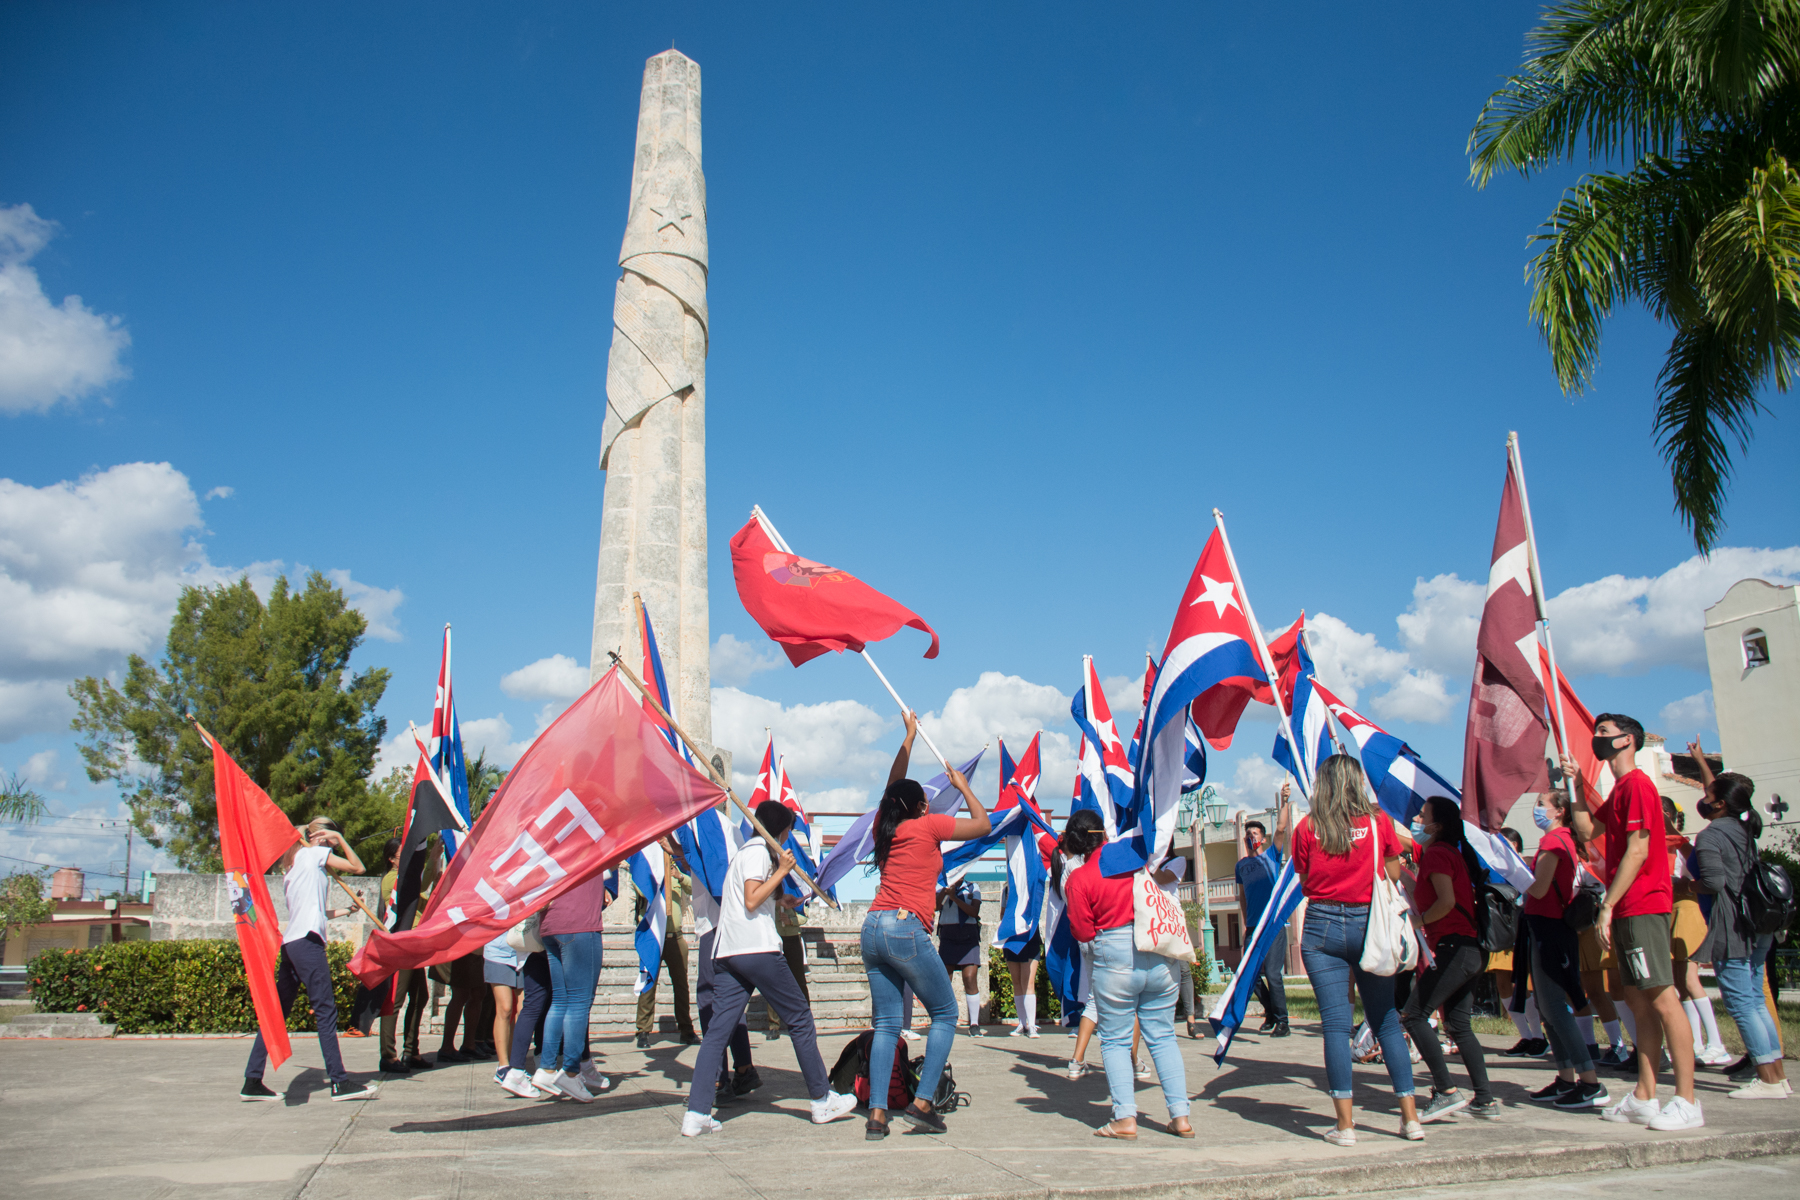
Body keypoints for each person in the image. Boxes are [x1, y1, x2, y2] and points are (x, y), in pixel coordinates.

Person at [682, 800, 858, 1136]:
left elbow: (750, 897)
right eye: (789, 830)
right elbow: (750, 899)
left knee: (718, 1031)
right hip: (756, 948)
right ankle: (822, 1099)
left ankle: (697, 1112)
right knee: (800, 1017)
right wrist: (781, 870)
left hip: (728, 952)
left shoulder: (744, 854)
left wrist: (782, 898)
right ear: (782, 829)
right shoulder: (759, 851)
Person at [1563, 712, 1702, 1131]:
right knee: (1638, 999)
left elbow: (1638, 852)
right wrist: (1574, 787)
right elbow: (1587, 831)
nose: (1597, 739)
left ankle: (1687, 1100)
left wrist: (1607, 904)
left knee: (1662, 997)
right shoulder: (1621, 789)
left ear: (1627, 741)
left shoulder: (1639, 785)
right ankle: (1645, 1093)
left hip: (1642, 904)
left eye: (1603, 733)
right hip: (1626, 907)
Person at [862, 710, 991, 1140]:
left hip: (873, 926)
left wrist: (910, 737)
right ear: (920, 805)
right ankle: (922, 1101)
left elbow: (889, 788)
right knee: (946, 1012)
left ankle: (877, 1116)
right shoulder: (927, 825)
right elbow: (983, 824)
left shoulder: (887, 827)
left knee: (884, 1023)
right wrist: (964, 787)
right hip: (905, 928)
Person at [1289, 754, 1419, 1145]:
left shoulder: (1309, 826)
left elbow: (1305, 878)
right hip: (1371, 923)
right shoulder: (1379, 823)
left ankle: (1344, 1126)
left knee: (1335, 1024)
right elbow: (1394, 872)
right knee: (1385, 1020)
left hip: (1322, 925)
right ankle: (1410, 1118)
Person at [1063, 819, 1192, 1140]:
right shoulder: (1134, 859)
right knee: (1163, 1036)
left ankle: (1124, 1118)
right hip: (1158, 948)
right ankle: (1181, 1116)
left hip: (1114, 952)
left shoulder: (1079, 878)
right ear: (1104, 832)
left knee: (1116, 1040)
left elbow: (1081, 931)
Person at [240, 819, 378, 1102]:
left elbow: (315, 911)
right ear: (321, 836)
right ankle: (339, 1082)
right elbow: (358, 867)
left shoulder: (292, 868)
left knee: (277, 1014)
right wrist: (340, 838)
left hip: (292, 944)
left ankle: (252, 1081)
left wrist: (347, 910)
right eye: (329, 836)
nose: (332, 842)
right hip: (308, 943)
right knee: (326, 1011)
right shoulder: (315, 854)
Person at [1690, 768, 1791, 1100]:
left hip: (1733, 926)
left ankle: (1767, 1079)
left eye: (1708, 795)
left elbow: (1714, 883)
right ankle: (1776, 1075)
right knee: (1757, 1000)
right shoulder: (1746, 828)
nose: (1703, 799)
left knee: (1742, 1004)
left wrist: (1685, 885)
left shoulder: (1710, 835)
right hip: (1759, 924)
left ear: (1720, 804)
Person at [1401, 798, 1497, 1121]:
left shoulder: (1438, 854)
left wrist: (1419, 922)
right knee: (1458, 1025)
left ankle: (1445, 1091)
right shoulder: (1446, 853)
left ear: (1437, 825)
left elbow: (1446, 901)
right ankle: (1485, 1099)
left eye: (1422, 815)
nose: (1417, 818)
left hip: (1454, 948)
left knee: (1413, 1015)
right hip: (1468, 949)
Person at [1522, 790, 1609, 1110]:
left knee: (1555, 1008)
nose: (1537, 809)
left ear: (1559, 811)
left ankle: (1590, 1081)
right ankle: (1566, 1077)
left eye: (1542, 804)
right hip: (1551, 928)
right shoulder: (1562, 840)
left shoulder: (1553, 842)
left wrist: (1513, 870)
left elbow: (1538, 887)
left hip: (1550, 929)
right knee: (1548, 1008)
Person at [530, 864, 612, 1102]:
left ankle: (546, 1068)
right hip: (579, 921)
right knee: (579, 1002)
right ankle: (571, 1071)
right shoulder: (588, 832)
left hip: (552, 923)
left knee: (561, 1000)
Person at [1665, 797, 1730, 1066]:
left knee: (1691, 979)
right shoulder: (1658, 844)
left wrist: (1683, 882)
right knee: (1680, 983)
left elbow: (1698, 871)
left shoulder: (1681, 844)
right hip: (1670, 913)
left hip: (1688, 911)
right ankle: (1695, 1042)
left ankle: (1717, 1043)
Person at [1235, 786, 1294, 1037]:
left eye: (1255, 832)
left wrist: (1284, 800)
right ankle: (1270, 1012)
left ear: (1263, 837)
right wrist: (1246, 923)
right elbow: (1242, 898)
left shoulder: (1272, 856)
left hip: (1273, 925)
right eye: (1247, 833)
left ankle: (1282, 1021)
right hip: (1253, 927)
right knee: (1250, 975)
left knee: (1272, 974)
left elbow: (1281, 827)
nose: (1251, 836)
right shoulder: (1241, 865)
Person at [636, 837, 697, 1048]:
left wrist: (678, 876)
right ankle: (643, 1030)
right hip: (654, 936)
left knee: (681, 985)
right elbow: (639, 889)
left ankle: (686, 1029)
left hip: (675, 936)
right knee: (648, 982)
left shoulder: (678, 865)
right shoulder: (651, 865)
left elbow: (693, 887)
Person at [499, 947, 552, 1099]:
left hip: (531, 947)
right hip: (553, 941)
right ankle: (553, 1067)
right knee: (563, 1001)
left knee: (533, 1006)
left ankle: (517, 1070)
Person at [937, 878, 986, 1035]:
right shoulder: (941, 887)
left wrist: (955, 898)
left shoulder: (973, 887)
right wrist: (945, 892)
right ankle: (943, 1020)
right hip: (948, 935)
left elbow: (973, 911)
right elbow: (936, 906)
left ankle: (974, 1024)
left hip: (968, 935)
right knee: (945, 979)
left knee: (970, 978)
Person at [765, 890, 811, 1041]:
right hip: (774, 936)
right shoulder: (771, 886)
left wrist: (791, 920)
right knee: (773, 982)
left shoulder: (795, 887)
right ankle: (773, 1026)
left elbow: (805, 915)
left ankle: (805, 1020)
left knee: (799, 981)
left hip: (792, 938)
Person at [482, 929, 524, 1090]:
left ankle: (516, 1062)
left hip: (524, 951)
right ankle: (502, 1066)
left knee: (524, 1010)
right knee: (505, 1008)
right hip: (497, 951)